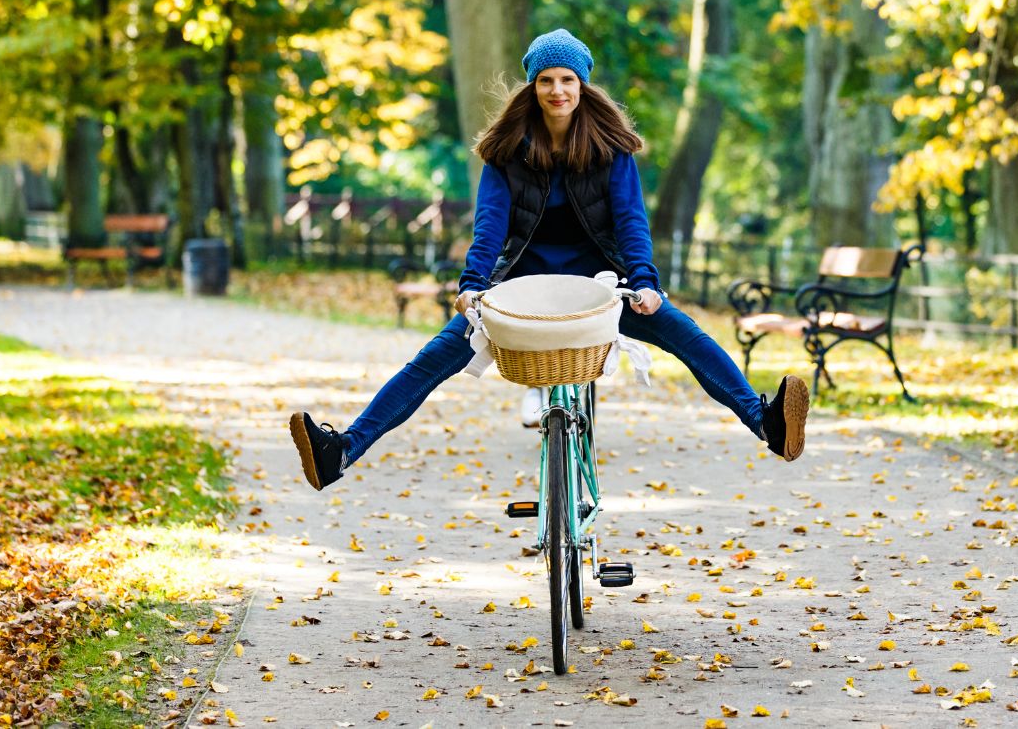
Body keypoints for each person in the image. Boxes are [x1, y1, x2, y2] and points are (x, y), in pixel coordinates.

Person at [289, 29, 809, 491]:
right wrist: (472, 284)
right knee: (431, 361)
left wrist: (646, 283)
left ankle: (766, 424)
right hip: (519, 292)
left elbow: (631, 222)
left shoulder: (612, 151)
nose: (556, 90)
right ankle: (342, 452)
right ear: (532, 88)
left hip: (602, 288)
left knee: (687, 336)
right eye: (545, 80)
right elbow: (490, 226)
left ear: (583, 87)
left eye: (567, 79)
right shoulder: (504, 153)